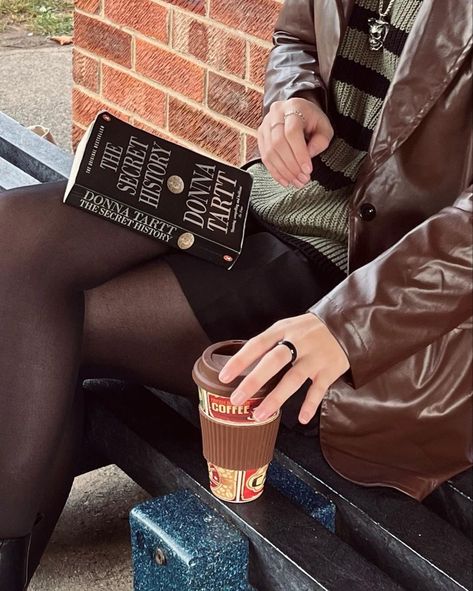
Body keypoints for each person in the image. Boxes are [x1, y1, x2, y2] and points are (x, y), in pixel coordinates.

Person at [0, 0, 471, 588]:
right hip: (255, 199)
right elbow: (297, 32)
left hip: (358, 283)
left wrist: (346, 327)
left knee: (37, 325)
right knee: (11, 240)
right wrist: (293, 98)